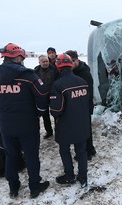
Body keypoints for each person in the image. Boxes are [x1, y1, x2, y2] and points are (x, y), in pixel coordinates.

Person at [0, 43, 50, 198]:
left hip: (6, 125)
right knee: (31, 156)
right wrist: (39, 112)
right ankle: (34, 186)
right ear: (18, 57)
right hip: (27, 124)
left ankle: (13, 187)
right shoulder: (28, 75)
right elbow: (42, 95)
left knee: (11, 156)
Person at [49, 53, 89, 188]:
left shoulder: (57, 85)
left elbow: (56, 110)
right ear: (71, 66)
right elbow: (87, 103)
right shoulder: (83, 82)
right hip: (82, 123)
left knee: (65, 150)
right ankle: (83, 177)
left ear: (58, 67)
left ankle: (70, 175)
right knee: (81, 152)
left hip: (66, 125)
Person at [0, 55, 25, 179]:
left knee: (7, 140)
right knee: (5, 142)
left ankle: (17, 162)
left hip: (4, 113)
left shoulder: (0, 75)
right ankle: (1, 168)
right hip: (1, 114)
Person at [65, 50, 96, 160]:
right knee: (83, 129)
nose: (71, 64)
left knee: (85, 129)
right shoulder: (72, 72)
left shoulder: (84, 73)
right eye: (69, 61)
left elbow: (89, 92)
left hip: (84, 106)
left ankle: (87, 152)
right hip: (79, 106)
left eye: (72, 61)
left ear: (77, 60)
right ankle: (90, 149)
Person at [34, 55, 59, 139]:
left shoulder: (54, 69)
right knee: (45, 115)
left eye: (46, 61)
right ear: (39, 62)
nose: (45, 63)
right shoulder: (36, 71)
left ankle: (58, 130)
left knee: (56, 113)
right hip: (42, 96)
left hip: (53, 95)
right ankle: (49, 131)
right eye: (43, 62)